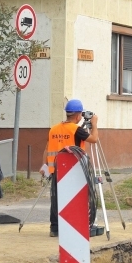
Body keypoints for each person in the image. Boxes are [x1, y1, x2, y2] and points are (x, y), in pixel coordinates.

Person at [41, 99, 98, 237]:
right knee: (75, 199)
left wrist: (44, 166)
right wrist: (94, 124)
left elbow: (47, 148)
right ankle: (75, 226)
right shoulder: (76, 130)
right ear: (78, 115)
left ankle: (55, 228)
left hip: (55, 170)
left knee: (56, 199)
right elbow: (94, 139)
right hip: (73, 170)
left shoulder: (54, 129)